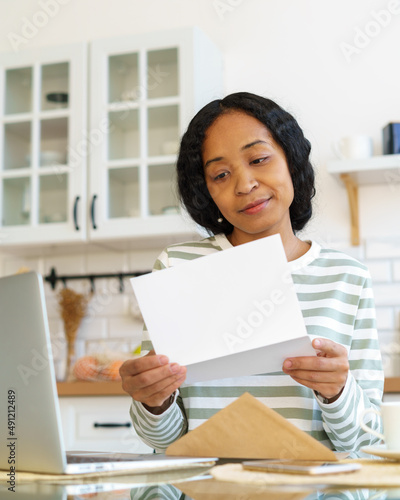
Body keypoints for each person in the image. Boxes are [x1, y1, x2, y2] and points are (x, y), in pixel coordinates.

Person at [120, 92, 384, 454]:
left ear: (291, 160)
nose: (244, 184)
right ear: (207, 191)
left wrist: (337, 392)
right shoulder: (178, 268)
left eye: (258, 159)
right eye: (221, 174)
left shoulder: (346, 277)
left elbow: (366, 438)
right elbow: (165, 442)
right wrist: (153, 401)